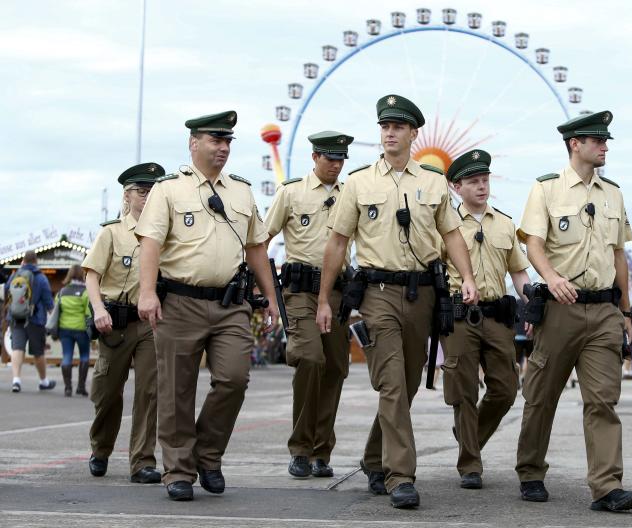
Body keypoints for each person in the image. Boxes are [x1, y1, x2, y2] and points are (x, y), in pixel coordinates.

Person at [315, 94, 478, 509]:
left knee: (404, 386)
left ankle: (374, 457)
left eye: (398, 127)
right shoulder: (359, 182)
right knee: (390, 382)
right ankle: (400, 475)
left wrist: (470, 278)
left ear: (413, 133)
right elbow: (337, 243)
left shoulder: (434, 182)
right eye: (385, 127)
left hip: (423, 294)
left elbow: (453, 235)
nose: (390, 133)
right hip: (377, 295)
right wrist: (324, 299)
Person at [136, 111, 279, 501]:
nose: (223, 148)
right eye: (215, 140)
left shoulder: (242, 191)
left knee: (234, 378)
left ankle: (207, 455)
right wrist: (146, 292)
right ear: (193, 143)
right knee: (177, 390)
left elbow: (256, 249)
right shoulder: (168, 190)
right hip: (179, 302)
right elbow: (150, 242)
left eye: (228, 141)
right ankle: (179, 470)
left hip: (230, 304)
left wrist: (271, 299)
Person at [514, 110, 632, 512]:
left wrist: (626, 310)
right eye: (597, 141)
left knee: (603, 400)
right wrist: (550, 277)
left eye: (605, 141)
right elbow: (532, 243)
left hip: (604, 310)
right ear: (575, 144)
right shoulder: (546, 189)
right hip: (559, 310)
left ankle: (606, 487)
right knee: (541, 396)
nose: (604, 147)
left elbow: (619, 254)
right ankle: (531, 470)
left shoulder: (614, 194)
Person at [263, 130, 354, 479]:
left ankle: (321, 451)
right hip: (300, 292)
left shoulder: (351, 195)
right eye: (330, 157)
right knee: (310, 359)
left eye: (340, 159)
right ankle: (300, 448)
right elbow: (262, 239)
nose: (336, 164)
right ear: (314, 157)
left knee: (334, 369)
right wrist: (268, 292)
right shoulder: (291, 193)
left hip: (337, 293)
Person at [439, 149, 530, 490]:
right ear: (456, 186)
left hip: (497, 316)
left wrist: (530, 305)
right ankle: (470, 465)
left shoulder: (505, 223)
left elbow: (518, 272)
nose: (481, 187)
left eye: (485, 180)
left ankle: (470, 436)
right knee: (462, 390)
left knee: (506, 389)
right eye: (473, 181)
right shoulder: (444, 225)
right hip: (460, 318)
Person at [82, 162, 163, 484]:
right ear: (127, 196)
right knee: (106, 393)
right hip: (113, 323)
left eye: (153, 191)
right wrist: (98, 309)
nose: (148, 197)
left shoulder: (164, 234)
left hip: (149, 324)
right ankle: (101, 448)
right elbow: (92, 275)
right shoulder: (112, 232)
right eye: (142, 191)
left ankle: (142, 461)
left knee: (150, 392)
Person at [6, 250, 56, 392]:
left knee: (17, 349)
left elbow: (7, 293)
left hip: (16, 318)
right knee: (38, 352)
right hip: (36, 319)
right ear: (36, 261)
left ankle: (16, 380)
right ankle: (43, 381)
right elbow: (48, 302)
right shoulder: (41, 278)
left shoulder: (15, 275)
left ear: (23, 260)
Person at [56, 264, 91, 397]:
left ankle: (68, 388)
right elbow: (89, 312)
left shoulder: (62, 292)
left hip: (64, 329)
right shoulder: (85, 292)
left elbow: (56, 310)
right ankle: (81, 387)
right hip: (81, 330)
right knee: (84, 356)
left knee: (66, 356)